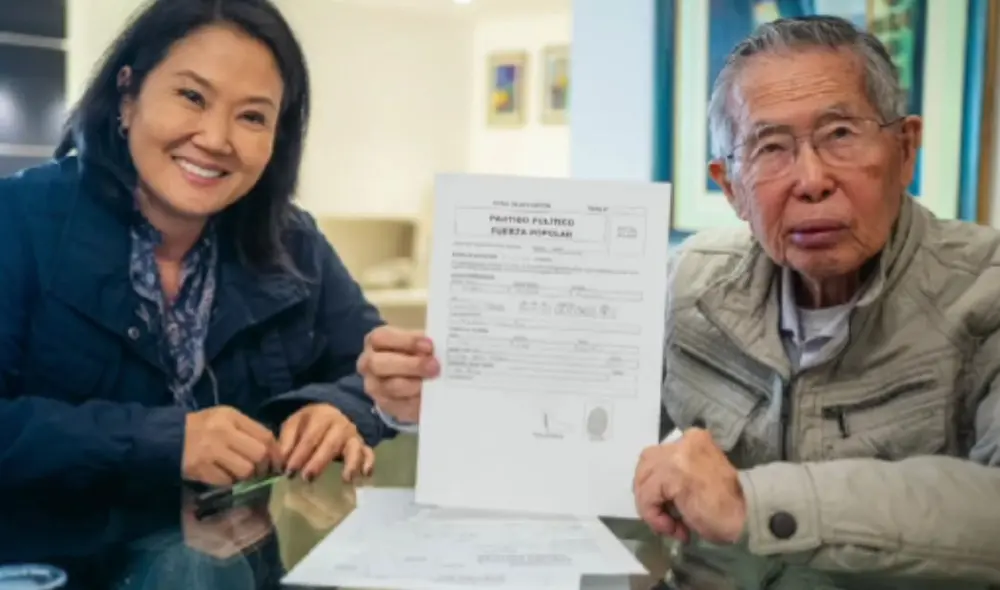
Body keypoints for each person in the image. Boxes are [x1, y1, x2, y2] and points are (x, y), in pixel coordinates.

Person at [359, 15, 1000, 586]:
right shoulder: (691, 283)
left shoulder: (985, 289)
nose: (811, 181)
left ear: (905, 147)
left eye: (839, 134)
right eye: (770, 148)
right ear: (730, 186)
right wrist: (438, 403)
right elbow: (588, 427)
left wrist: (752, 501)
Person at [0, 0, 399, 501]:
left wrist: (339, 409)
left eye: (252, 116)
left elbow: (374, 373)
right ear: (128, 94)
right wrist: (164, 441)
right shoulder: (15, 218)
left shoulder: (294, 242)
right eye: (192, 96)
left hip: (243, 560)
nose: (215, 139)